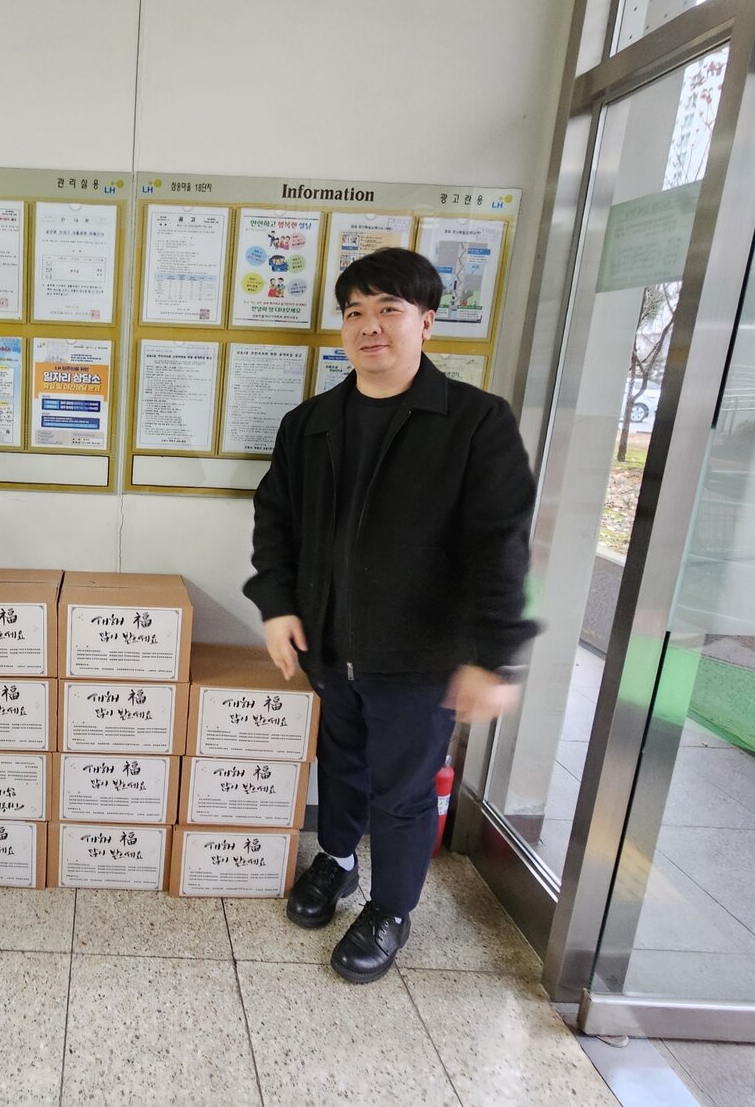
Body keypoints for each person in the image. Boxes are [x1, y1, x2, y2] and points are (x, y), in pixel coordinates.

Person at [243, 247, 536, 985]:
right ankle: (338, 860)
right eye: (355, 312)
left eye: (389, 310)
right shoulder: (311, 423)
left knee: (404, 791)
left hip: (419, 653)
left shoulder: (475, 422)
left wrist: (493, 655)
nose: (369, 326)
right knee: (340, 763)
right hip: (328, 643)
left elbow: (500, 545)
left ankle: (391, 908)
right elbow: (276, 521)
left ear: (426, 322)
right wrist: (277, 606)